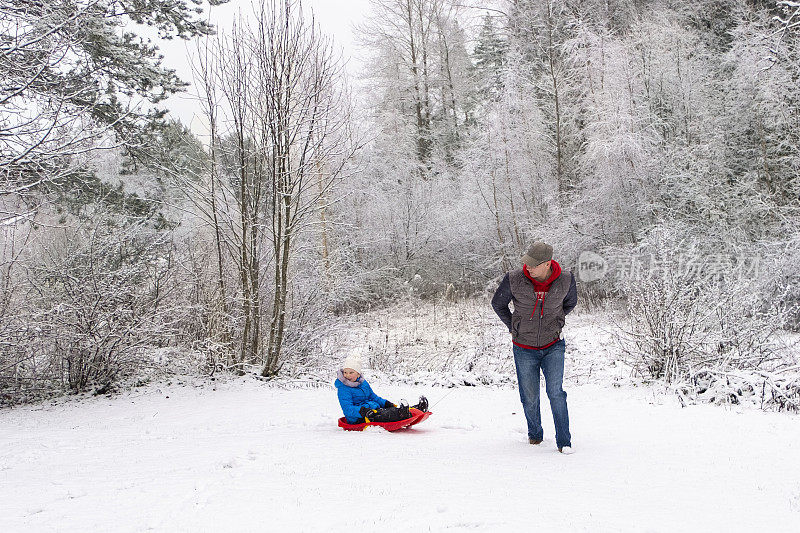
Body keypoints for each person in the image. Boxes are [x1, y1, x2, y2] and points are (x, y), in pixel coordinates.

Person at [491, 241, 578, 454]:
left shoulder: (566, 280)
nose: (527, 267)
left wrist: (555, 321)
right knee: (529, 395)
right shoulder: (514, 279)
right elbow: (498, 303)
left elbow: (570, 303)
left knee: (555, 392)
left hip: (553, 345)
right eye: (526, 262)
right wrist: (513, 325)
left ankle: (564, 442)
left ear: (547, 264)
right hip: (524, 346)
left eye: (533, 264)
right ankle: (535, 434)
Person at [335, 353, 428, 424]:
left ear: (358, 373)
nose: (347, 375)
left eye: (351, 372)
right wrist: (363, 411)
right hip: (358, 417)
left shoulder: (363, 383)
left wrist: (385, 403)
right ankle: (402, 414)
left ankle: (416, 409)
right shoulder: (343, 388)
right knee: (384, 415)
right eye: (345, 372)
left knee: (388, 409)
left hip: (372, 409)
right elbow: (347, 408)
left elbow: (373, 397)